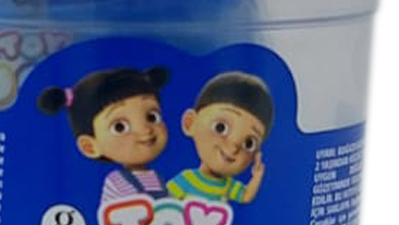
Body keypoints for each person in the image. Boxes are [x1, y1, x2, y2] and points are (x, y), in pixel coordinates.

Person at [38, 67, 170, 204]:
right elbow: (114, 213)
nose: (145, 130)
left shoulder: (155, 177)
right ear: (90, 146)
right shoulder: (117, 182)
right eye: (120, 127)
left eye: (152, 117)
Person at [167, 71, 273, 204]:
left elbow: (246, 196)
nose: (233, 147)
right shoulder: (186, 179)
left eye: (249, 143)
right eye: (220, 127)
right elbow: (165, 201)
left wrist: (257, 175)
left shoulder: (228, 185)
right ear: (190, 123)